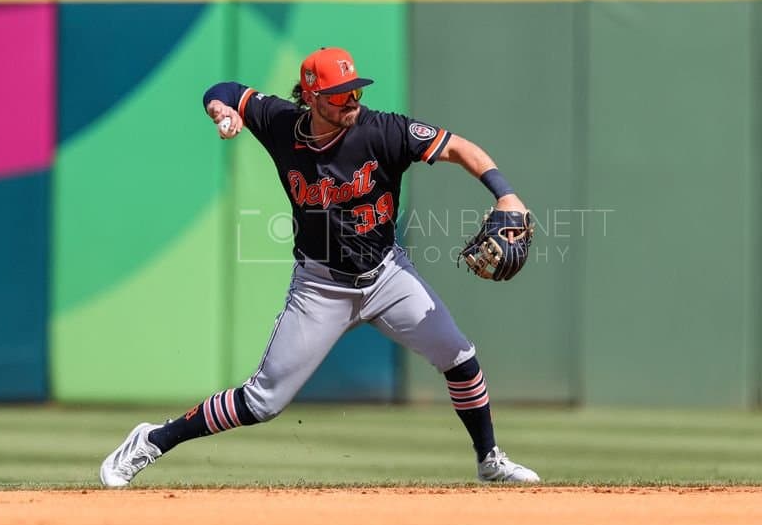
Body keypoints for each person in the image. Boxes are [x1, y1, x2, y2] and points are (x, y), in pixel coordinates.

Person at [99, 47, 538, 486]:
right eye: (339, 93)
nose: (351, 100)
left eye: (354, 90)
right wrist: (221, 111)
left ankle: (489, 460)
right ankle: (153, 440)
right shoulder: (279, 123)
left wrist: (505, 194)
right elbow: (225, 91)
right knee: (262, 402)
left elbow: (459, 148)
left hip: (387, 275)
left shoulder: (384, 130)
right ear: (311, 97)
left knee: (459, 356)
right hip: (320, 287)